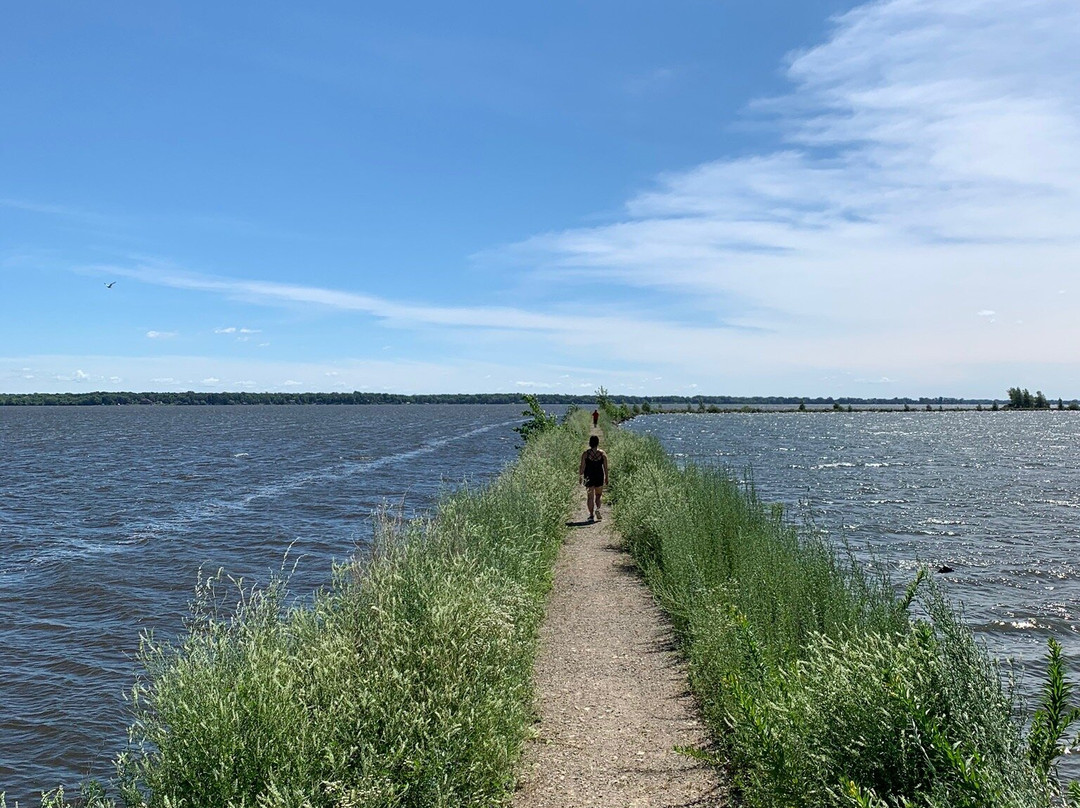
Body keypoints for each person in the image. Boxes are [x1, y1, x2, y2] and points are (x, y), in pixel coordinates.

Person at [578, 434, 609, 521]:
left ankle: (591, 515)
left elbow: (582, 467)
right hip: (599, 476)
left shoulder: (585, 454)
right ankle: (597, 509)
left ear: (590, 443)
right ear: (598, 443)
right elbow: (606, 468)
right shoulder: (602, 454)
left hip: (589, 476)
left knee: (590, 497)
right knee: (598, 495)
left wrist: (580, 476)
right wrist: (607, 477)